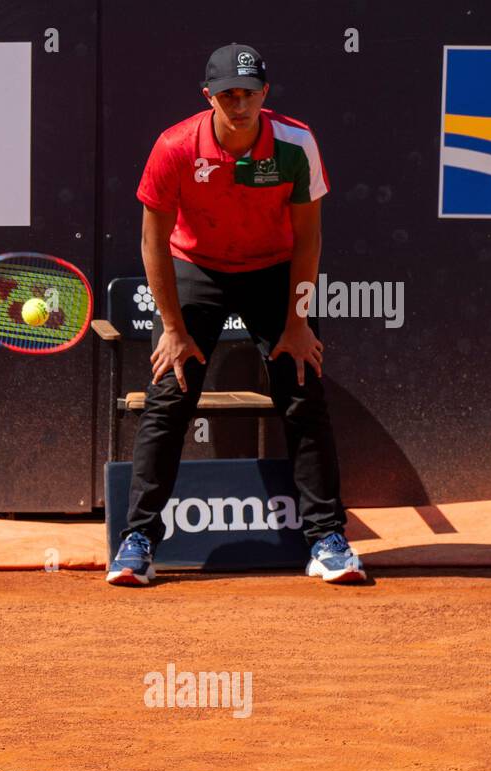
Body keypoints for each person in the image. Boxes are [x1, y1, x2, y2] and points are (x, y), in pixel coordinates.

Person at [109, 43, 366, 587]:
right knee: (170, 392)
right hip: (195, 266)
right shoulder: (175, 147)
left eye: (249, 93)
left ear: (264, 94)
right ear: (210, 97)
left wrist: (297, 323)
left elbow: (309, 236)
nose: (240, 103)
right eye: (229, 94)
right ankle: (138, 543)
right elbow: (153, 241)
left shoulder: (295, 144)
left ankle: (325, 539)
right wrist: (173, 329)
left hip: (273, 270)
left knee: (302, 388)